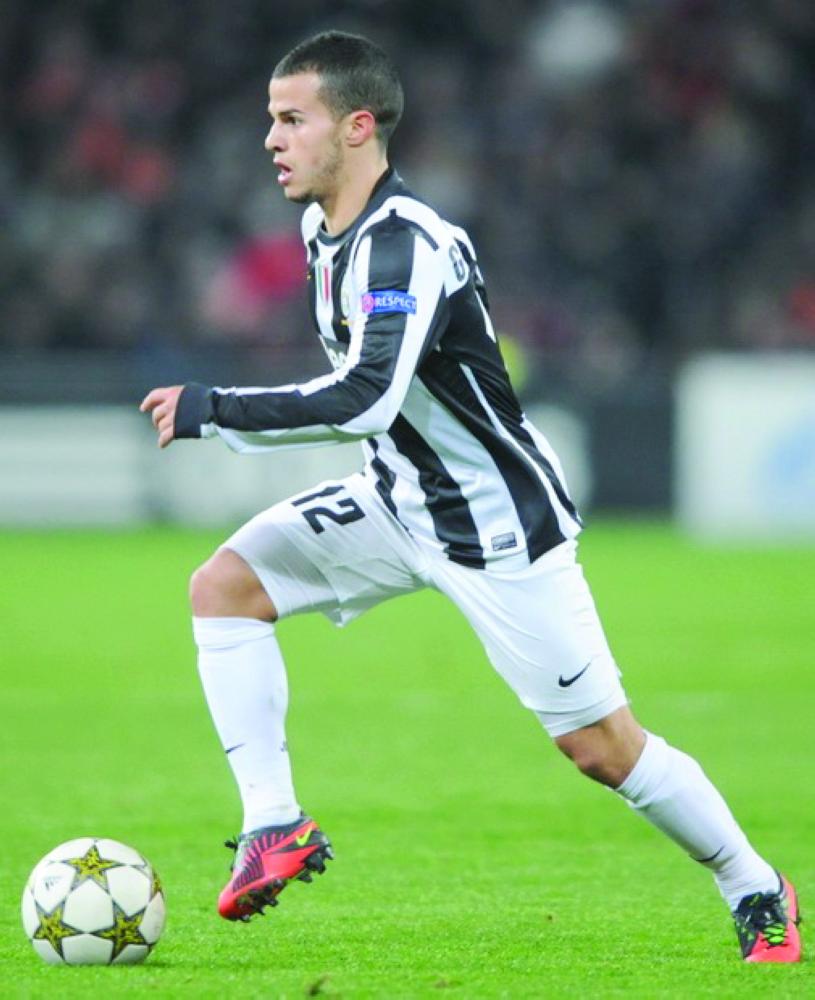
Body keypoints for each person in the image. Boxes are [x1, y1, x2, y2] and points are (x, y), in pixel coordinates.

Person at [140, 30, 800, 961]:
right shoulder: (322, 232)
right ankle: (272, 824)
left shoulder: (407, 246)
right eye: (271, 120)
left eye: (292, 119)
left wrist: (215, 408)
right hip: (396, 500)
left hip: (497, 528)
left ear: (357, 127)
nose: (271, 139)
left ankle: (755, 884)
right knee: (224, 587)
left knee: (603, 749)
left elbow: (365, 397)